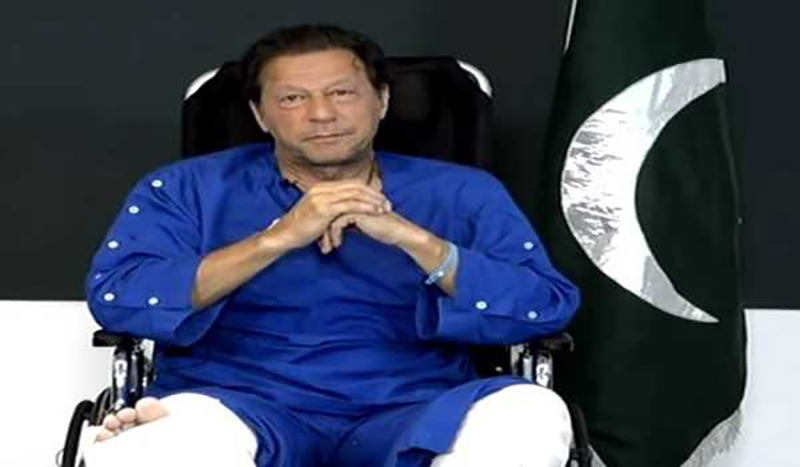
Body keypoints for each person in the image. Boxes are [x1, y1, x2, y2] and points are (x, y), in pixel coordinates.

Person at [82, 23, 580, 467]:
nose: (321, 114)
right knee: (158, 445)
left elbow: (543, 307)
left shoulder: (463, 192)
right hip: (237, 402)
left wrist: (412, 238)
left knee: (530, 413)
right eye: (292, 99)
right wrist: (277, 238)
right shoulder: (183, 189)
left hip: (416, 406)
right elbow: (119, 299)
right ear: (260, 114)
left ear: (381, 101)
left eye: (342, 92)